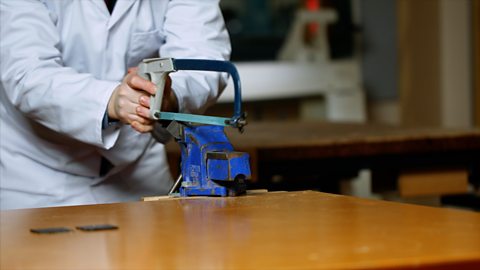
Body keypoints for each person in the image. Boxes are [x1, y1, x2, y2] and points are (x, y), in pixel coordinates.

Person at [0, 0, 231, 210]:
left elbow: (203, 58)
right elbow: (27, 73)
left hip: (139, 171)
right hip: (36, 176)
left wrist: (166, 95)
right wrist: (110, 100)